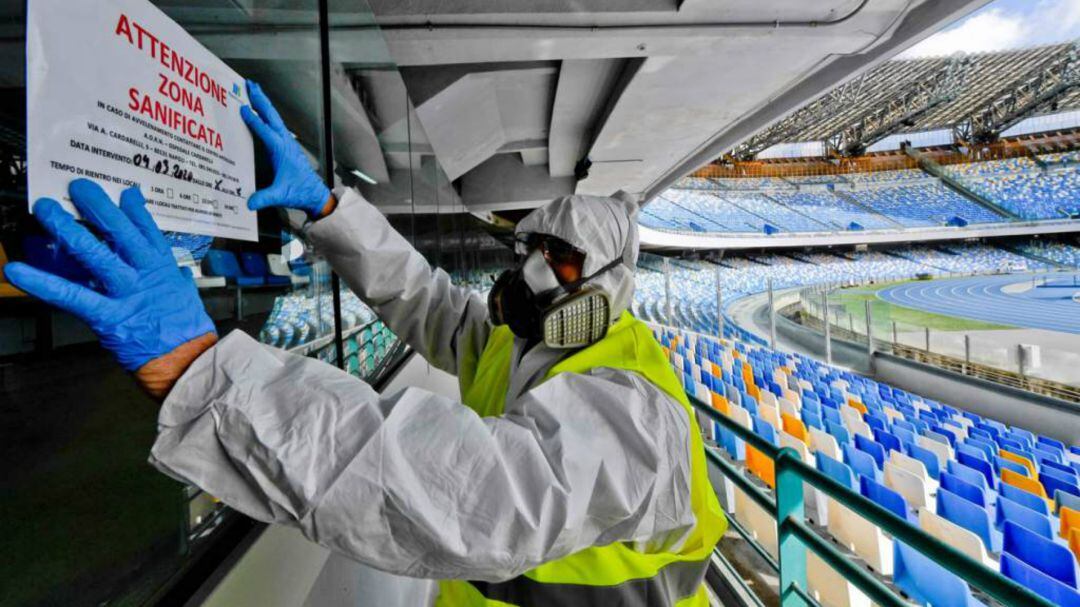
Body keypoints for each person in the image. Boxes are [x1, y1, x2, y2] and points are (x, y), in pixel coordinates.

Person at [5, 81, 725, 606]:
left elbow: (469, 492)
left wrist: (211, 378)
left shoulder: (640, 414)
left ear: (609, 282)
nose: (534, 272)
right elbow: (426, 300)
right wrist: (326, 210)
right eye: (533, 247)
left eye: (561, 260)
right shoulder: (525, 343)